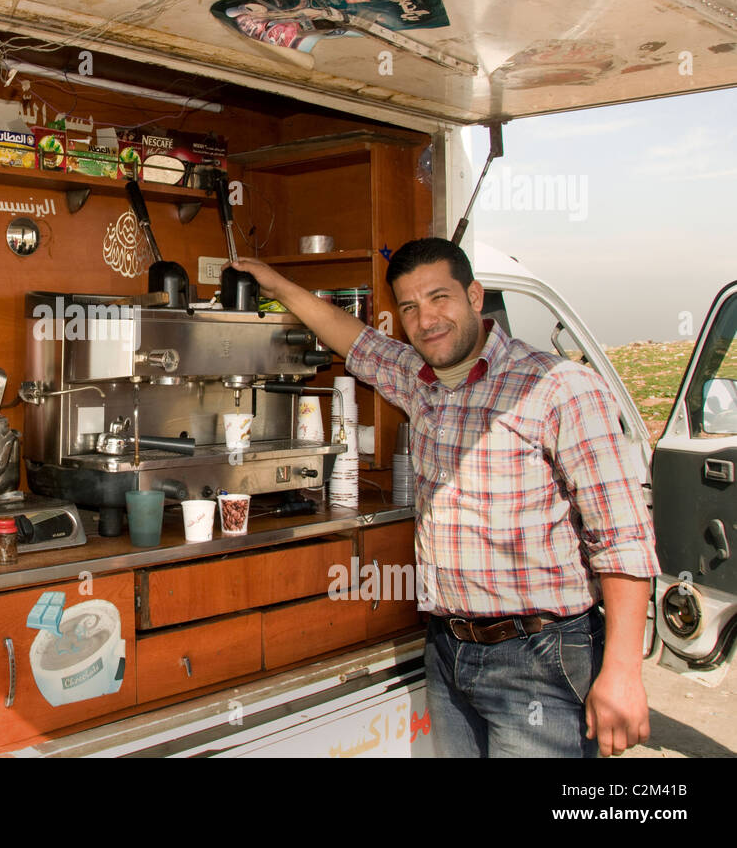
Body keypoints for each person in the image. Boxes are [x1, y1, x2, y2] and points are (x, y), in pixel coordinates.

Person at [229, 239, 659, 758]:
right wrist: (275, 284)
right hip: (449, 650)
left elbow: (623, 536)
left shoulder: (559, 387)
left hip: (540, 657)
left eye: (440, 298)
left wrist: (623, 672)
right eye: (409, 307)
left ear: (475, 296)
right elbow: (355, 340)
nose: (426, 319)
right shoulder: (419, 379)